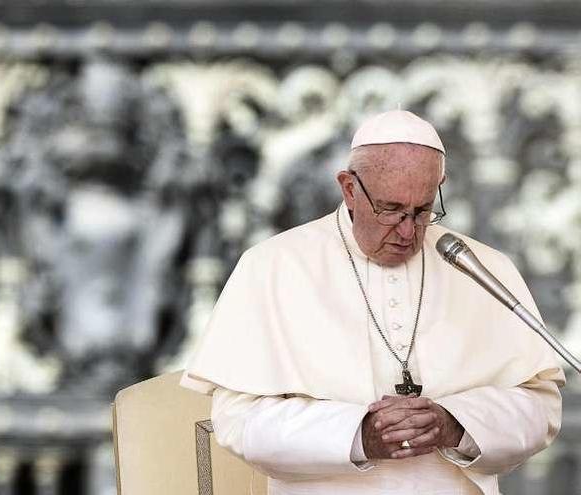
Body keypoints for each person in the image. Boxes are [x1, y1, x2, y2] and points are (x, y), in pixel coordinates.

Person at [181, 110, 565, 494]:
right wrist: (358, 434)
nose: (406, 231)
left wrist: (456, 423)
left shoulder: (482, 268)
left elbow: (540, 409)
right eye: (390, 209)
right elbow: (237, 421)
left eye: (422, 211)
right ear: (349, 187)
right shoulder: (273, 265)